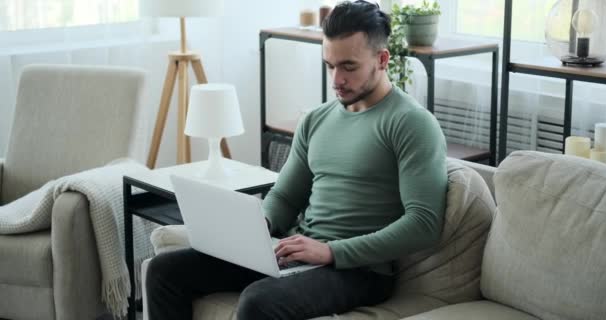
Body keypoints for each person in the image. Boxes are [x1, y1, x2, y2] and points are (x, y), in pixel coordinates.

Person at [146, 1, 448, 319]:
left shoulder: (412, 123)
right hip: (299, 251)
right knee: (165, 270)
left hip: (361, 270)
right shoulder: (316, 119)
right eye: (330, 65)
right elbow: (287, 196)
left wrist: (330, 251)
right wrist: (258, 227)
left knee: (259, 301)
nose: (336, 79)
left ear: (382, 59)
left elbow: (424, 224)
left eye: (349, 66)